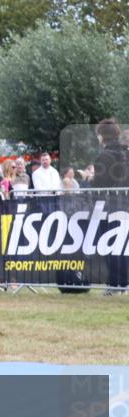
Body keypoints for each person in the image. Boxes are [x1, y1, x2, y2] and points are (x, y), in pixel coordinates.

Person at [91, 119, 129, 294]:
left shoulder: (104, 156)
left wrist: (89, 178)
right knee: (122, 245)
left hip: (110, 206)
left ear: (102, 136)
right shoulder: (125, 153)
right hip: (125, 204)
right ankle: (122, 283)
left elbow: (100, 184)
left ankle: (115, 284)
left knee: (109, 244)